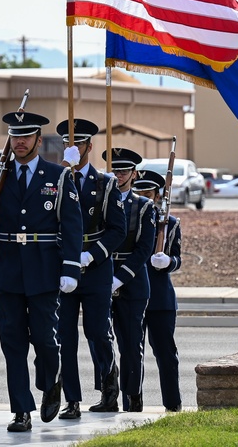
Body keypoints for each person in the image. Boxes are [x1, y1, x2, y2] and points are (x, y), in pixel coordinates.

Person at [0, 111, 84, 433]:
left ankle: (51, 380)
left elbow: (72, 227)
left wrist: (71, 267)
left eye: (26, 136)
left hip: (45, 267)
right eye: (14, 136)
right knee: (13, 342)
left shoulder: (57, 177)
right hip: (7, 268)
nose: (19, 141)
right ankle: (21, 410)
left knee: (46, 339)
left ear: (37, 139)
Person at [54, 118, 128, 419]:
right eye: (68, 145)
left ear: (89, 146)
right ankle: (71, 400)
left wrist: (92, 255)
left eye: (78, 144)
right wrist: (63, 170)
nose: (73, 148)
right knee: (65, 336)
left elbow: (117, 230)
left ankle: (109, 392)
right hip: (66, 266)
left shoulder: (106, 183)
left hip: (95, 268)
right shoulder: (58, 178)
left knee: (97, 331)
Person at [101, 146, 155, 412]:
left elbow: (144, 249)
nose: (119, 174)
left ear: (135, 174)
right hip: (101, 275)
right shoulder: (98, 201)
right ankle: (107, 396)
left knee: (131, 345)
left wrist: (119, 278)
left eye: (124, 170)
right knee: (101, 341)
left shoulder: (144, 206)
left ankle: (132, 398)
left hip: (131, 282)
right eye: (115, 169)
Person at [133, 169, 183, 412]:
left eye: (148, 192)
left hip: (159, 297)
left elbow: (177, 259)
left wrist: (168, 262)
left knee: (165, 353)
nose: (144, 196)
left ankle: (173, 405)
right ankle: (132, 404)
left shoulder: (170, 223)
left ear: (158, 194)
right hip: (131, 295)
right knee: (132, 354)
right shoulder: (126, 220)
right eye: (139, 191)